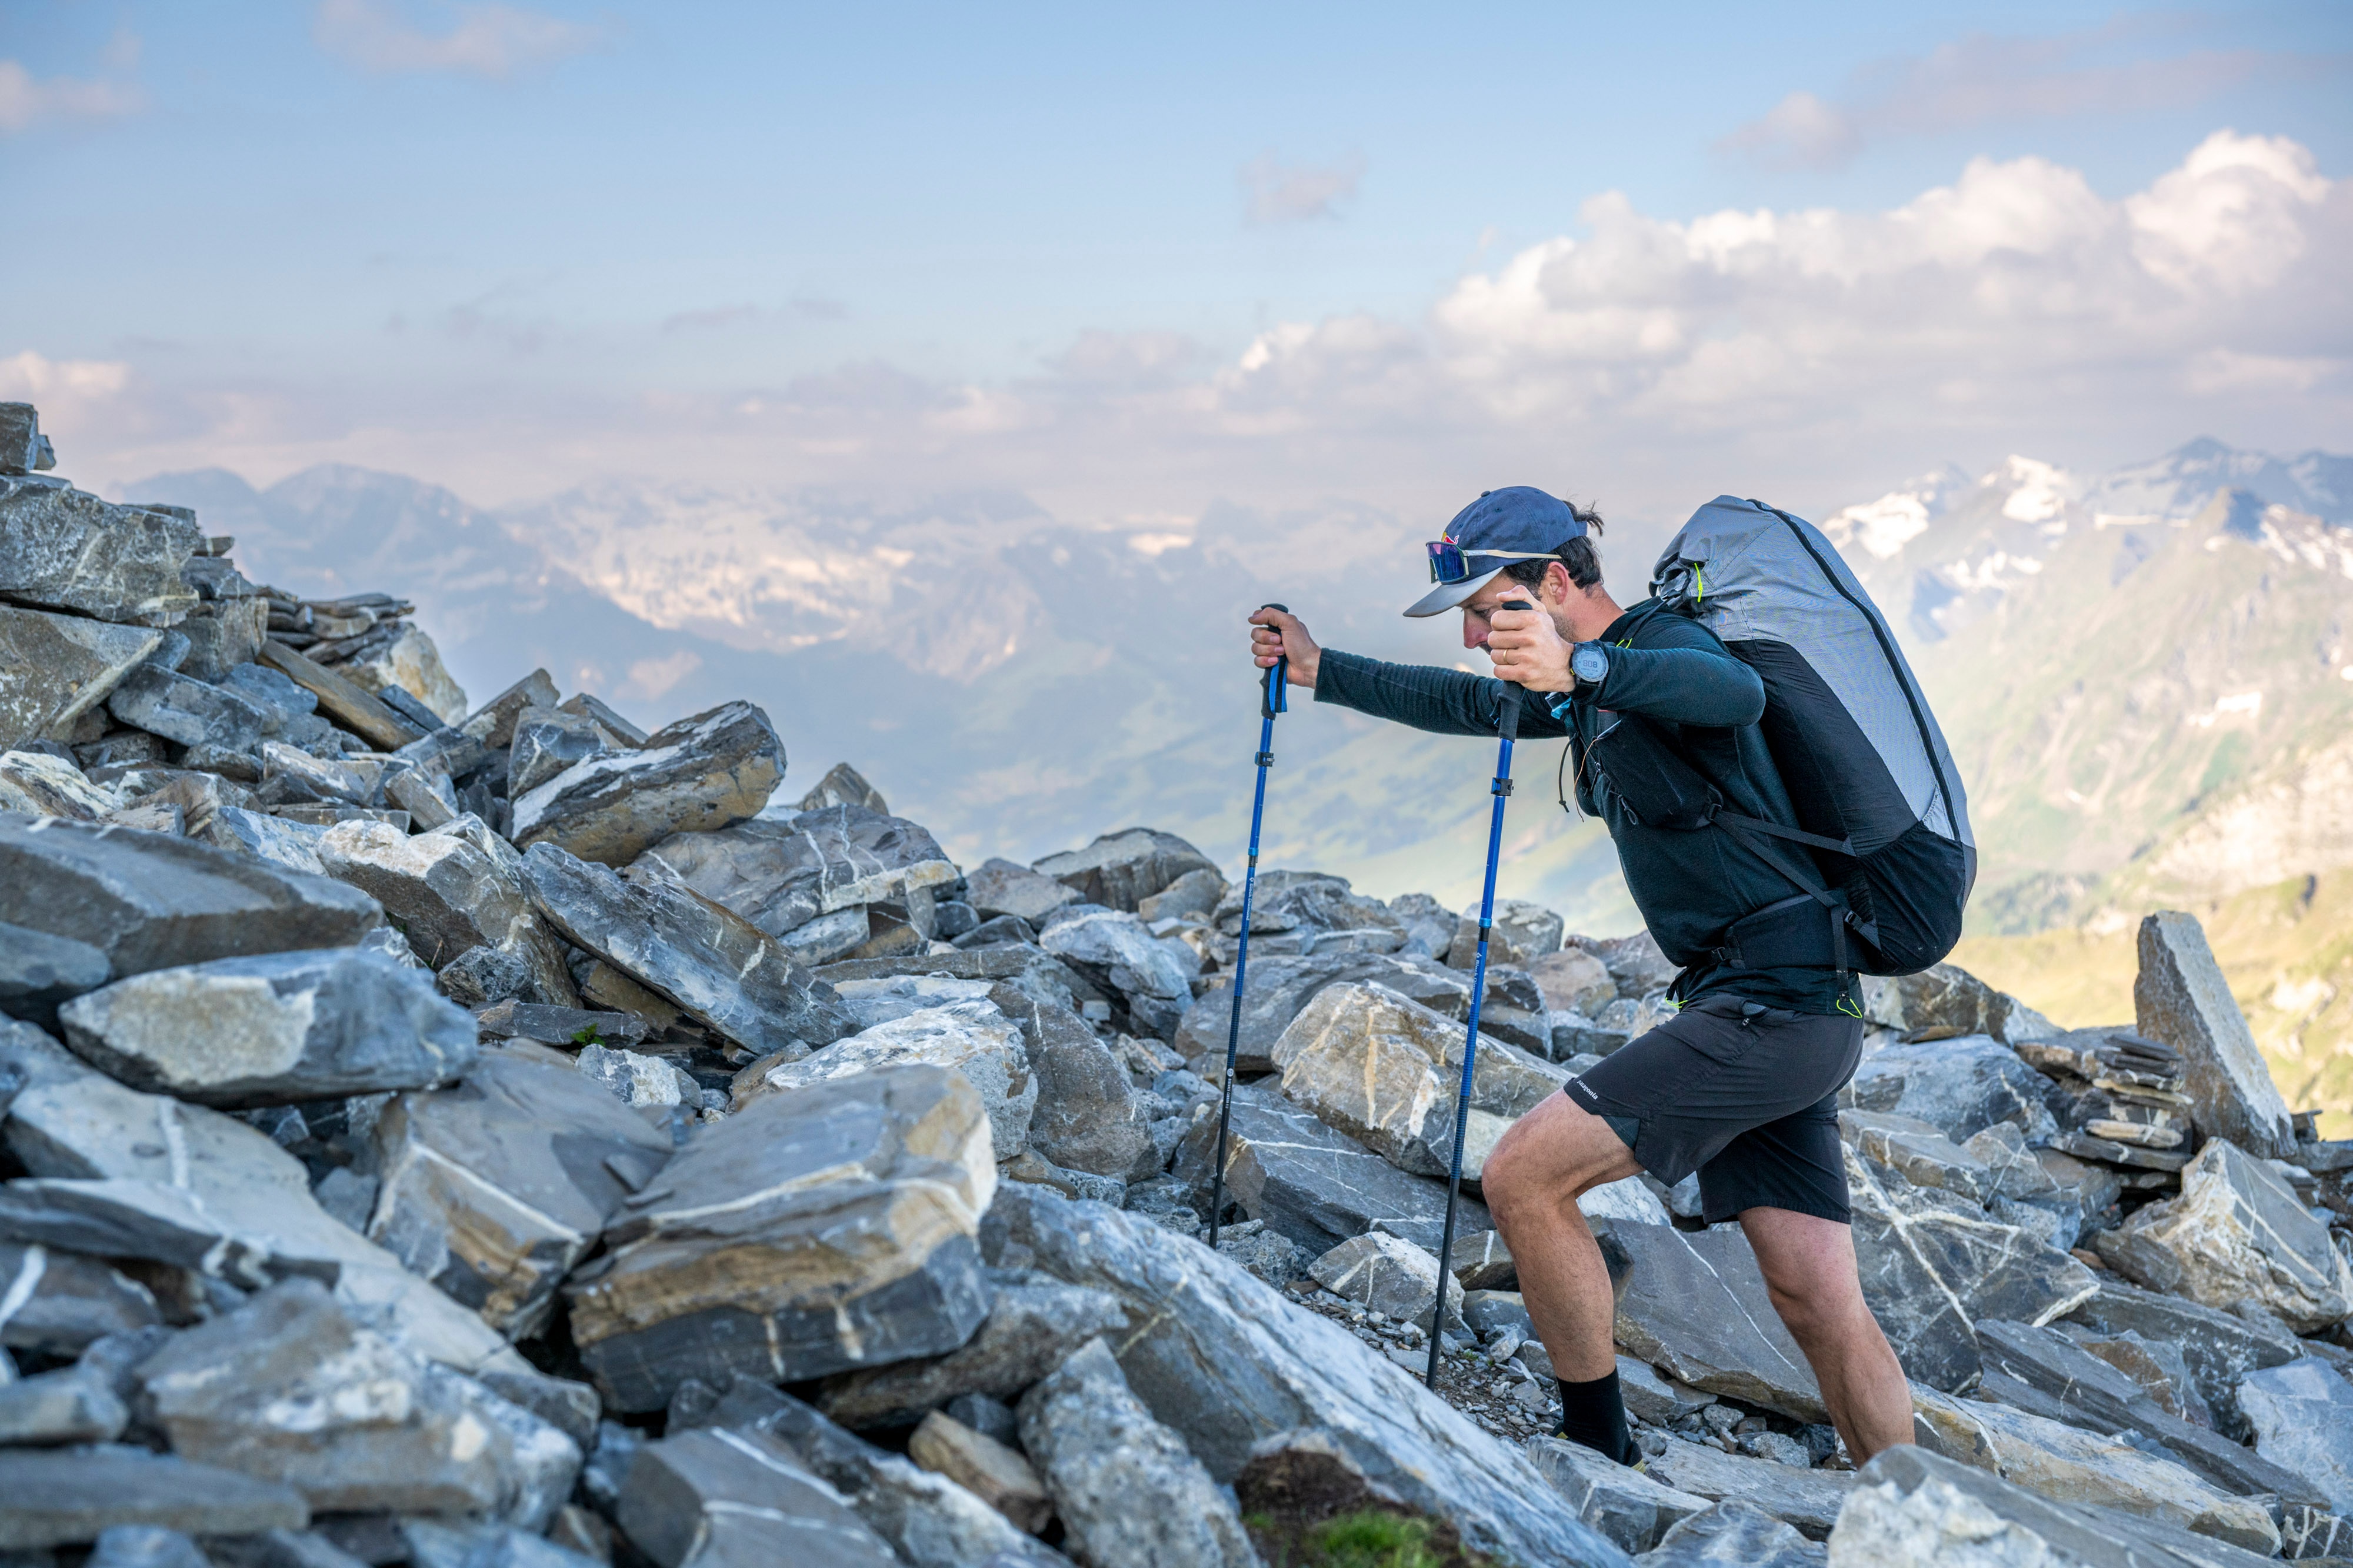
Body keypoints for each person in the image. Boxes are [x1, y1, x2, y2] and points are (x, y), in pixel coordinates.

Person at [1247, 485, 1914, 1469]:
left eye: (1487, 610)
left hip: (1774, 1005)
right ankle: (1917, 1521)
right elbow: (1475, 704)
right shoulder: (1593, 687)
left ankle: (1598, 1461)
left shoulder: (1664, 647)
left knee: (1523, 1173)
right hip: (1785, 1007)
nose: (1474, 636)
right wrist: (1319, 669)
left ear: (1556, 582)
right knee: (1817, 1295)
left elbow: (1735, 695)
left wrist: (1586, 662)